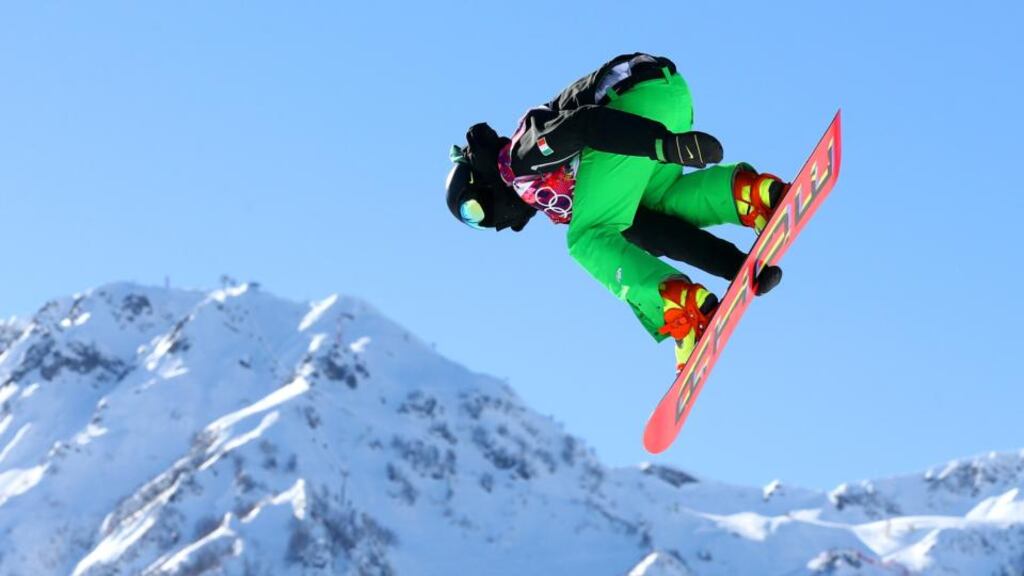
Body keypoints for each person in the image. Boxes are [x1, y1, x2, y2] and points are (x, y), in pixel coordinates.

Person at [444, 53, 786, 372]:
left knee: (586, 239)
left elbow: (583, 124)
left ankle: (678, 306)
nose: (490, 223)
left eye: (475, 210)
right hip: (668, 94)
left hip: (632, 107)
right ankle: (748, 196)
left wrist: (662, 145)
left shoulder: (520, 159)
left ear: (483, 182)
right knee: (650, 207)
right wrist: (737, 268)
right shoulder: (555, 186)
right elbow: (659, 231)